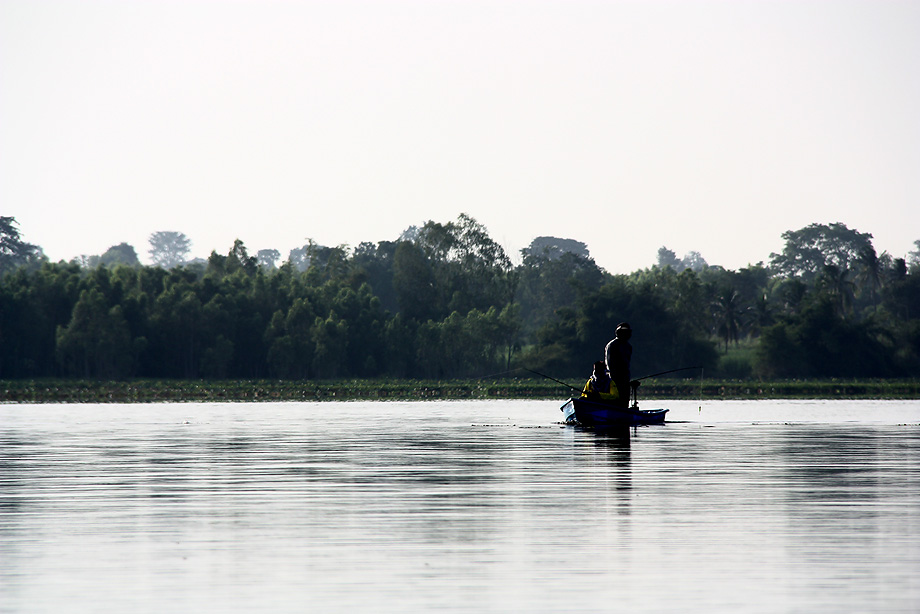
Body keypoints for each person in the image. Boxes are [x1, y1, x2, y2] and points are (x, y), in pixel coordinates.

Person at [605, 322, 632, 408]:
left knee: (624, 402)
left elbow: (627, 363)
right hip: (614, 379)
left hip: (625, 379)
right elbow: (610, 364)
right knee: (615, 401)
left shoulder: (628, 346)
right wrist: (614, 379)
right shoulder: (612, 345)